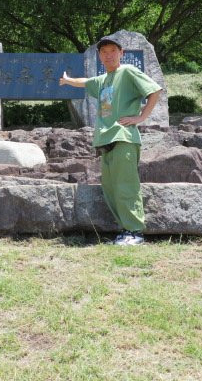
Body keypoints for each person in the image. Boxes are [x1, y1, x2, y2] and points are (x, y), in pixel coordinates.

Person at [59, 35, 162, 245]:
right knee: (111, 188)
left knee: (126, 186)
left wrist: (140, 117)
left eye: (113, 51)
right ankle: (126, 231)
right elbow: (86, 82)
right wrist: (68, 80)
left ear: (121, 53)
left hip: (123, 137)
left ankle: (135, 232)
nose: (108, 55)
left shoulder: (128, 71)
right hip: (105, 141)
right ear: (100, 56)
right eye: (104, 52)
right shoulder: (104, 79)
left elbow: (155, 91)